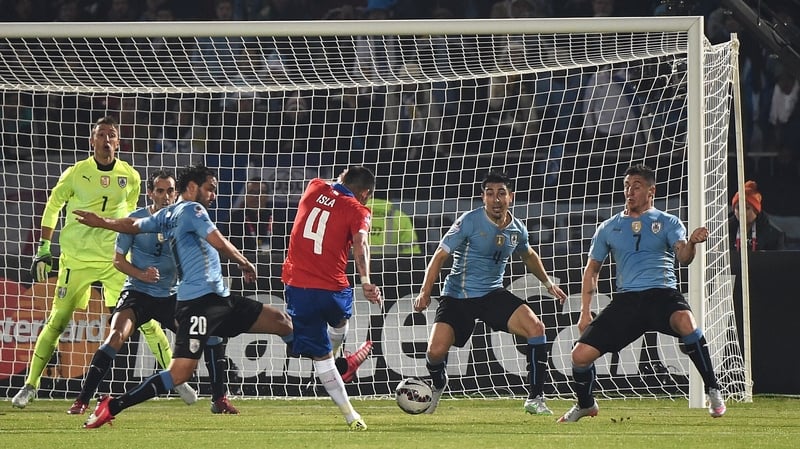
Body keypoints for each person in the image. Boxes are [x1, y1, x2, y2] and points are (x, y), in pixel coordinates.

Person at [74, 163, 294, 428]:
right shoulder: (193, 208)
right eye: (210, 189)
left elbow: (133, 225)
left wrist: (102, 222)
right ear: (191, 188)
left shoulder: (166, 216)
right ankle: (105, 403)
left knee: (280, 321)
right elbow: (217, 240)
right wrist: (243, 261)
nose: (214, 195)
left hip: (206, 299)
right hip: (192, 302)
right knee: (178, 371)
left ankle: (320, 361)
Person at [12, 116, 181, 410]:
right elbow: (53, 206)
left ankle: (177, 380)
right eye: (101, 134)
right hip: (76, 259)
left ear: (118, 141)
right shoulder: (76, 173)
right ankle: (31, 384)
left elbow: (130, 219)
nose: (106, 139)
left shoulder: (130, 176)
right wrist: (43, 247)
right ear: (92, 140)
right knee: (57, 322)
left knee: (147, 320)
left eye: (111, 134)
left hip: (113, 261)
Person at [558, 164, 726, 422]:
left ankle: (712, 388)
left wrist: (691, 242)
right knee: (579, 356)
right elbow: (592, 270)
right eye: (627, 186)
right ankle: (585, 404)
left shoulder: (668, 222)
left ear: (651, 191)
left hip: (662, 294)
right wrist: (584, 311)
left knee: (687, 323)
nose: (630, 191)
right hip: (628, 300)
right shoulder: (608, 227)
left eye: (636, 186)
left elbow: (683, 257)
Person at [67, 170, 236, 415]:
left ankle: (219, 399)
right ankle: (82, 400)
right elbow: (117, 261)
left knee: (212, 335)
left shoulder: (184, 219)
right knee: (116, 335)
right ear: (150, 193)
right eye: (160, 190)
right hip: (138, 292)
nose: (165, 196)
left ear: (175, 193)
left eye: (170, 191)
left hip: (170, 296)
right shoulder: (135, 220)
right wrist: (140, 274)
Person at [413, 170, 568, 415]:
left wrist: (548, 283)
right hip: (458, 296)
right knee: (434, 352)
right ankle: (439, 382)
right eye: (490, 193)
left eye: (501, 193)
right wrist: (425, 292)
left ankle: (535, 398)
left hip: (492, 295)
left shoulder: (517, 228)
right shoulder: (469, 221)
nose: (496, 199)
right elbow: (440, 255)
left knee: (536, 329)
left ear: (511, 197)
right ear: (483, 197)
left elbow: (528, 254)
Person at [281, 166, 383, 431]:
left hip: (298, 286)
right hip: (332, 288)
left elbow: (332, 185)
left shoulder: (314, 186)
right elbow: (361, 244)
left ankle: (352, 416)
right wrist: (366, 281)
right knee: (340, 323)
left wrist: (339, 182)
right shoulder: (358, 209)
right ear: (365, 193)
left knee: (321, 359)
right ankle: (341, 364)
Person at [729, 180, 786, 252]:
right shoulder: (725, 230)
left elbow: (778, 261)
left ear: (756, 211)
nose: (742, 212)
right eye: (738, 208)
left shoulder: (774, 235)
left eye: (747, 208)